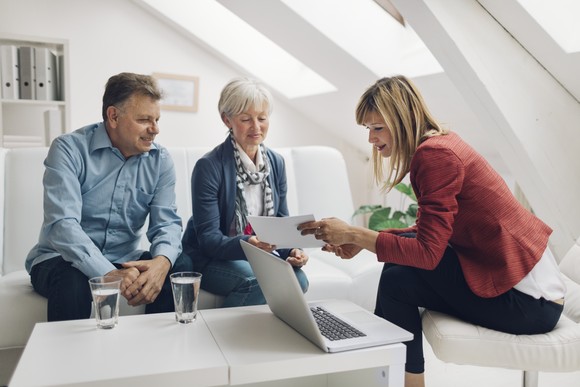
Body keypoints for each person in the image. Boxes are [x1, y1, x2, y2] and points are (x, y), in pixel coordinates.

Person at [298, 76, 565, 387]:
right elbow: (428, 232)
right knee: (398, 267)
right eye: (367, 129)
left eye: (378, 128)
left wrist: (356, 235)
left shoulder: (434, 155)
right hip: (524, 287)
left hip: (530, 302)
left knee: (398, 280)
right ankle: (390, 372)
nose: (370, 138)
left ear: (402, 120)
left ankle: (402, 378)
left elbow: (427, 253)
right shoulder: (442, 143)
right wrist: (361, 241)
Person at [26, 72, 191, 322]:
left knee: (180, 265)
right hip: (59, 259)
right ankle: (68, 361)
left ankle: (158, 356)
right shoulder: (69, 149)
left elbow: (166, 224)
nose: (155, 129)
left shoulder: (161, 160)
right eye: (144, 119)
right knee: (76, 280)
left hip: (124, 258)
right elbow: (63, 226)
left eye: (156, 119)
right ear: (113, 116)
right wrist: (107, 273)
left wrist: (161, 262)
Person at [180, 77, 309, 307]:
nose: (256, 127)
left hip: (257, 254)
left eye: (262, 118)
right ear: (227, 120)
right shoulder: (209, 166)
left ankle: (257, 333)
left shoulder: (276, 163)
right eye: (246, 119)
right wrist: (249, 243)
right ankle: (221, 336)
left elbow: (280, 221)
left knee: (298, 280)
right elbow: (209, 239)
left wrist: (294, 250)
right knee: (257, 280)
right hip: (211, 257)